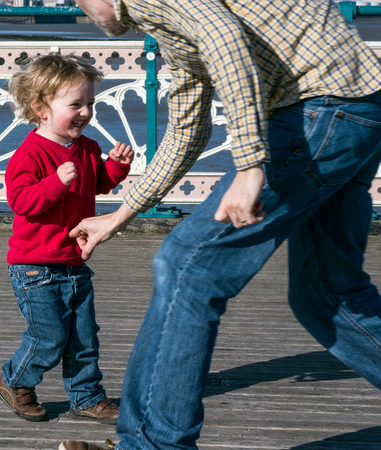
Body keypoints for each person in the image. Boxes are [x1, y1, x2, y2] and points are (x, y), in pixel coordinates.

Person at [66, 0, 381, 448]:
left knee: (188, 266)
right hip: (358, 106)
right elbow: (188, 127)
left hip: (316, 109)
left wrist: (251, 164)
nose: (77, 5)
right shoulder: (163, 19)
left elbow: (224, 39)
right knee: (328, 293)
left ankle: (152, 444)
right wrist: (118, 215)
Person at [0, 53, 134, 424]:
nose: (86, 112)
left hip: (74, 262)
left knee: (84, 339)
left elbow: (95, 184)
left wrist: (115, 168)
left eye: (91, 103)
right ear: (40, 109)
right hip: (34, 267)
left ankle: (86, 397)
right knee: (49, 337)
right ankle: (14, 380)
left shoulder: (85, 148)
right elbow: (21, 202)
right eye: (76, 104)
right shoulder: (29, 153)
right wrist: (56, 182)